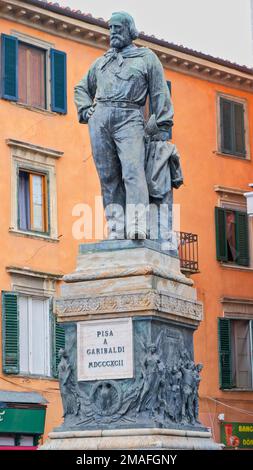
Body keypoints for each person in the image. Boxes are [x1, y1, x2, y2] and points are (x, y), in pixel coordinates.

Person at [74, 11, 174, 239]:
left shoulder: (146, 58)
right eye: (110, 28)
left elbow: (160, 93)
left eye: (118, 28)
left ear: (130, 30)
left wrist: (163, 125)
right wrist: (85, 109)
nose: (113, 33)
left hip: (130, 116)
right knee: (108, 176)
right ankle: (117, 230)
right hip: (100, 118)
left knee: (132, 172)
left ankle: (138, 225)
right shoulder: (101, 62)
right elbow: (80, 88)